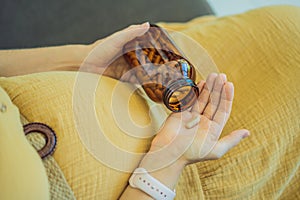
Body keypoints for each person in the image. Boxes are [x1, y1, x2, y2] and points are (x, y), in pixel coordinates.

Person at [0, 22, 250, 200]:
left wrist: (87, 59)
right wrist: (168, 163)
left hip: (110, 88)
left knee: (278, 26)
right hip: (161, 178)